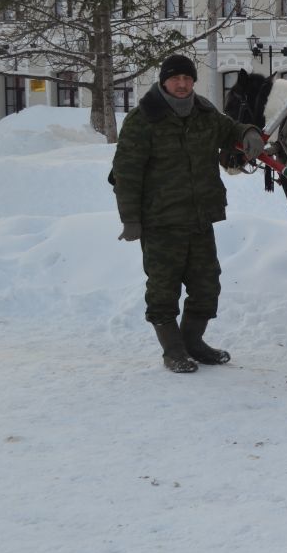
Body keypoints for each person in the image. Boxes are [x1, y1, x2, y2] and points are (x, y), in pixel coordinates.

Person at [111, 53, 265, 372]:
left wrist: (248, 132)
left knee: (207, 286)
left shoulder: (205, 113)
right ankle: (173, 351)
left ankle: (193, 342)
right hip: (160, 221)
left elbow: (231, 129)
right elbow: (126, 172)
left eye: (187, 79)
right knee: (163, 289)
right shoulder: (143, 119)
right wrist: (130, 219)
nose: (182, 85)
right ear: (164, 81)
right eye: (175, 79)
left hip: (200, 218)